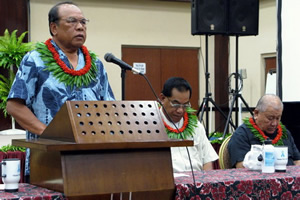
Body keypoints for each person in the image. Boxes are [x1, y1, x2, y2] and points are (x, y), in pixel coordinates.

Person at [6, 1, 115, 178]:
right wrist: (49, 134)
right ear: (54, 28)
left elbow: (108, 107)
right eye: (72, 21)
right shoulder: (35, 60)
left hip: (91, 158)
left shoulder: (96, 65)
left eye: (83, 22)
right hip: (48, 159)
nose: (80, 27)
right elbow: (14, 105)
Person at [159, 77, 218, 172]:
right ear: (162, 98)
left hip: (197, 181)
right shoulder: (151, 126)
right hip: (169, 182)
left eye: (185, 105)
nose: (180, 110)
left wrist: (206, 182)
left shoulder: (196, 125)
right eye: (175, 104)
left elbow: (207, 161)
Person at [228, 94, 300, 168]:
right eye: (270, 118)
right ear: (256, 113)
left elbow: (297, 161)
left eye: (278, 118)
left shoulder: (285, 133)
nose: (274, 123)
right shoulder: (242, 135)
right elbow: (241, 167)